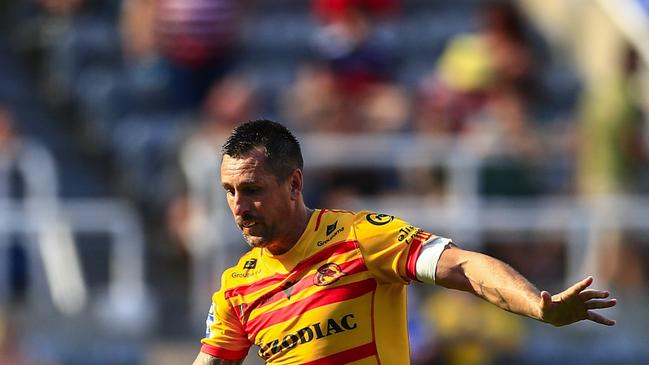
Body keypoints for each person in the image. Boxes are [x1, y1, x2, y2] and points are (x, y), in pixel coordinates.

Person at [192, 119, 617, 365]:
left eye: (251, 189)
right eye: (229, 191)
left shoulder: (360, 237)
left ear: (294, 184)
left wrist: (536, 305)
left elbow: (465, 266)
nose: (238, 205)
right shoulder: (237, 286)